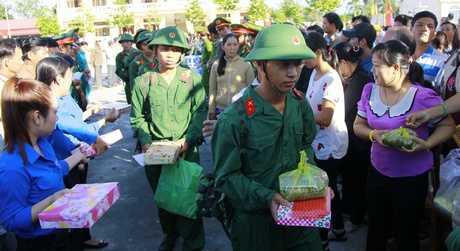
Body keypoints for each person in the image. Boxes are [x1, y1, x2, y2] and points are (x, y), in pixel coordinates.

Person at [211, 23, 322, 251]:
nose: (293, 73)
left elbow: (306, 147)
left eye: (298, 64)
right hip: (256, 227)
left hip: (300, 224)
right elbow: (225, 177)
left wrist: (315, 182)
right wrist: (267, 197)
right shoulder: (236, 117)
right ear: (260, 64)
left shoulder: (300, 105)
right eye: (283, 65)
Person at [353, 40, 455, 251]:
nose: (372, 70)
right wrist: (374, 135)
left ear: (396, 68)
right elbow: (358, 125)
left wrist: (426, 144)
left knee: (406, 232)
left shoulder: (423, 96)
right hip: (378, 172)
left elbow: (448, 126)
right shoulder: (370, 90)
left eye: (377, 65)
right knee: (376, 228)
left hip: (411, 178)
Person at [130, 26, 207, 251]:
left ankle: (193, 242)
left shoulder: (192, 79)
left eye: (176, 49)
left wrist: (187, 140)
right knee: (164, 197)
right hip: (156, 151)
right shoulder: (144, 82)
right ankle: (170, 234)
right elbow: (138, 117)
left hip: (186, 149)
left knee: (189, 196)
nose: (170, 54)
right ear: (154, 50)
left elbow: (200, 112)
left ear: (182, 52)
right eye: (165, 49)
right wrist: (145, 141)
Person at [37, 54, 118, 249]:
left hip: (77, 155)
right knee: (69, 207)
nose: (73, 79)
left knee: (79, 201)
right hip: (63, 162)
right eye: (69, 75)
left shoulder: (64, 96)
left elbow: (76, 121)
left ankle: (82, 238)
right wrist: (96, 137)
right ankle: (76, 241)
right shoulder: (49, 102)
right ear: (58, 79)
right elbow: (71, 125)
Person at [0, 77, 88, 251]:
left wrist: (78, 156)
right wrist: (53, 200)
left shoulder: (42, 144)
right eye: (54, 112)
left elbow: (54, 170)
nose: (57, 118)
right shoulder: (11, 166)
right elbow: (11, 220)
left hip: (65, 236)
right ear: (38, 117)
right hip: (42, 245)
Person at [303, 32, 348, 249]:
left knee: (321, 192)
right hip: (318, 140)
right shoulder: (314, 73)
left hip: (328, 143)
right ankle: (338, 230)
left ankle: (322, 240)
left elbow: (326, 118)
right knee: (329, 188)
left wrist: (301, 114)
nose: (302, 60)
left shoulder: (331, 79)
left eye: (306, 54)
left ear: (319, 53)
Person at [334, 42, 371, 234]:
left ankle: (356, 218)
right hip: (351, 139)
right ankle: (347, 210)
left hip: (360, 143)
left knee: (358, 182)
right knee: (349, 178)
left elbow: (343, 107)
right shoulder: (355, 77)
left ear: (344, 62)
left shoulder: (360, 80)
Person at [208, 33, 254, 120]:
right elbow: (212, 89)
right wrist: (211, 110)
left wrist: (250, 109)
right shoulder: (216, 65)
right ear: (223, 46)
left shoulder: (246, 64)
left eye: (235, 44)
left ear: (238, 46)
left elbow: (250, 90)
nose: (232, 48)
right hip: (220, 110)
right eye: (228, 44)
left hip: (240, 109)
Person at [411, 11, 448, 91]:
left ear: (434, 34)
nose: (424, 29)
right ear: (411, 29)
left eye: (430, 26)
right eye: (419, 25)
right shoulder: (401, 56)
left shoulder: (443, 60)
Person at [115, 34, 140, 104]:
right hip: (129, 82)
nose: (125, 44)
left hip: (140, 80)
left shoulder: (138, 53)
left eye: (127, 42)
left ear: (132, 43)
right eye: (123, 43)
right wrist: (127, 78)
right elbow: (118, 70)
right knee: (131, 104)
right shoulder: (120, 56)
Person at [128, 30, 154, 96]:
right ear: (140, 47)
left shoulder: (161, 61)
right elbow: (133, 87)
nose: (148, 47)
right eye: (145, 44)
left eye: (151, 43)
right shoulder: (135, 63)